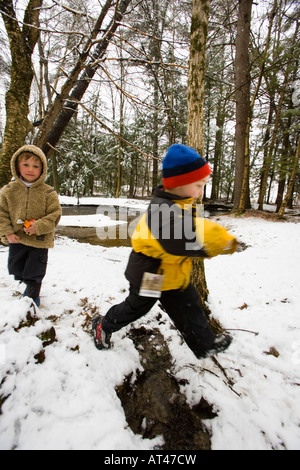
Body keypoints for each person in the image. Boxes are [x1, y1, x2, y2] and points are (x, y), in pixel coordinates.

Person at [92, 144, 237, 359]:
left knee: (189, 304)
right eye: (198, 184)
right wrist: (219, 240)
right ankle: (103, 325)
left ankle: (205, 343)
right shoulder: (160, 209)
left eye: (203, 184)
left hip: (171, 274)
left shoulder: (181, 202)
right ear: (179, 184)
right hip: (151, 274)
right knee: (136, 307)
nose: (201, 191)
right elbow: (182, 236)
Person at [0, 145, 62, 307]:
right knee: (16, 268)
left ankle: (33, 295)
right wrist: (7, 232)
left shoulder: (48, 192)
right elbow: (2, 213)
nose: (30, 170)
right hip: (17, 238)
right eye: (26, 165)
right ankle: (27, 282)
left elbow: (55, 215)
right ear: (16, 166)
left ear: (42, 169)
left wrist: (39, 226)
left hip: (39, 240)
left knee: (35, 271)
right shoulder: (8, 191)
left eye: (35, 166)